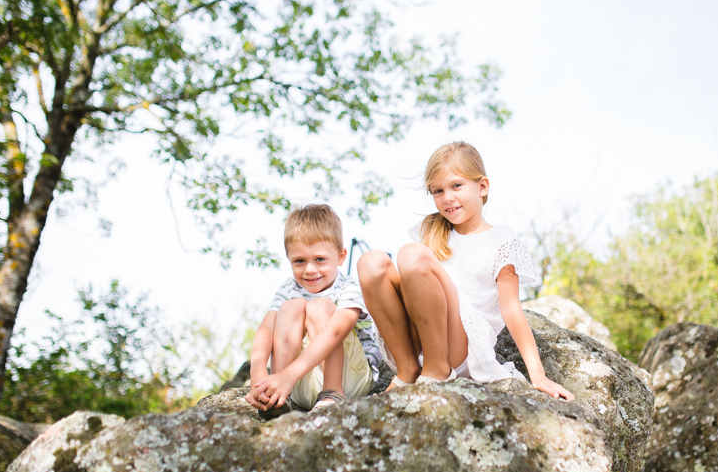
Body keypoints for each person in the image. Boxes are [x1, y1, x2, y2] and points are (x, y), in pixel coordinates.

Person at [357, 141, 574, 400]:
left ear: (482, 187)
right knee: (371, 262)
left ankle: (437, 369)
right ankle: (407, 371)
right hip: (423, 339)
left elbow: (511, 308)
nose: (447, 197)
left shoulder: (501, 240)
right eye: (437, 190)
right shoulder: (431, 230)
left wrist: (537, 375)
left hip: (463, 346)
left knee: (410, 254)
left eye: (456, 186)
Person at [246, 204, 380, 416]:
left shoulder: (349, 287)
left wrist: (290, 374)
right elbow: (266, 329)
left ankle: (332, 392)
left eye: (320, 259)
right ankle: (278, 397)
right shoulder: (290, 288)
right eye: (299, 261)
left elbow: (337, 330)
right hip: (297, 383)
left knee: (320, 306)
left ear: (341, 256)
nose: (310, 269)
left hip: (352, 379)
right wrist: (258, 373)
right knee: (290, 307)